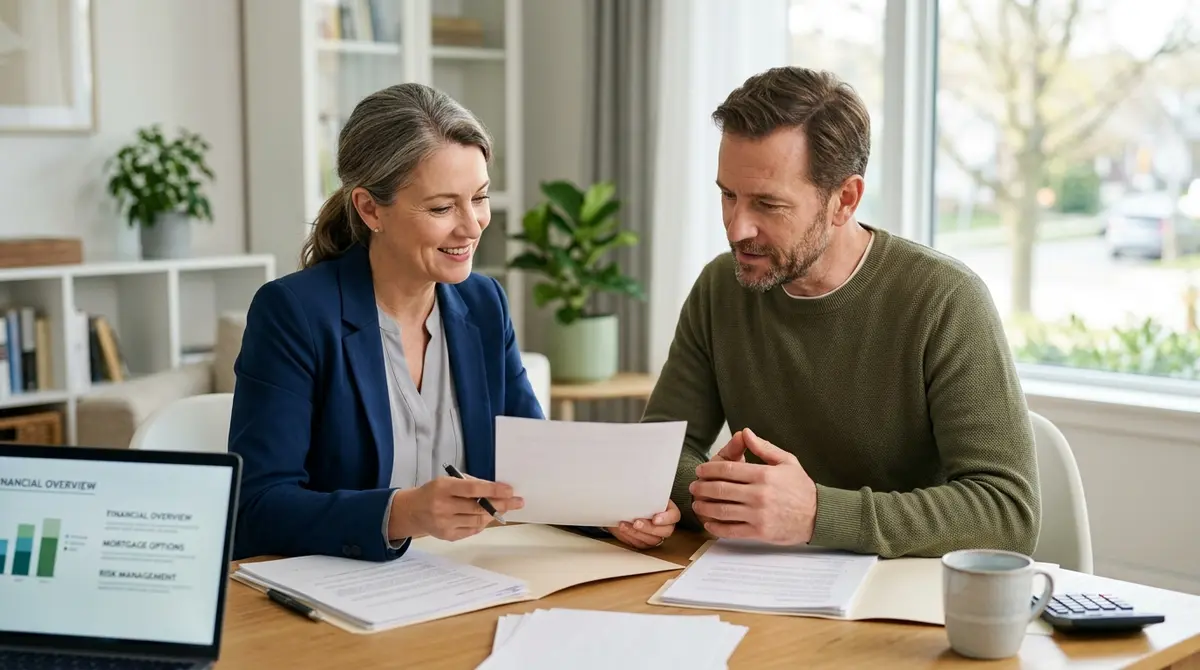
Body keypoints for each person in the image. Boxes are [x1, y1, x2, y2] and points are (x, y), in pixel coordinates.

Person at [640, 66, 1041, 558]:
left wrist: (815, 515)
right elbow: (659, 453)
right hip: (759, 583)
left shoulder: (944, 299)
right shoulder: (720, 289)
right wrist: (725, 497)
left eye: (768, 204)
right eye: (728, 195)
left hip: (902, 599)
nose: (737, 227)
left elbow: (1007, 513)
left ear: (844, 200)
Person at [228, 83, 540, 561]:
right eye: (441, 207)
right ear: (370, 208)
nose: (472, 225)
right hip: (339, 592)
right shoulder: (293, 312)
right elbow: (256, 508)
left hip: (471, 581)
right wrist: (402, 513)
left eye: (478, 198)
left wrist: (615, 512)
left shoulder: (483, 304)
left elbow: (536, 464)